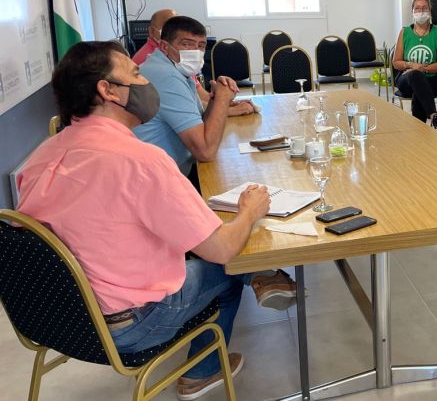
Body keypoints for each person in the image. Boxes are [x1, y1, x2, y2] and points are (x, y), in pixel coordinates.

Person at [16, 41, 298, 400]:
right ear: (108, 91)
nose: (145, 82)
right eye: (135, 74)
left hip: (52, 316)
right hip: (127, 326)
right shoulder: (139, 160)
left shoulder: (42, 156)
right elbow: (222, 249)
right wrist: (251, 211)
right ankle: (204, 369)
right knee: (229, 266)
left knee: (199, 247)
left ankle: (266, 276)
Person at [134, 15, 254, 189]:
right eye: (187, 44)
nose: (195, 52)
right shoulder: (166, 76)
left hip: (169, 172)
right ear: (164, 46)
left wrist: (215, 97)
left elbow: (201, 122)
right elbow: (206, 151)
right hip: (157, 183)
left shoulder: (174, 68)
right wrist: (222, 99)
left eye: (201, 46)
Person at [392, 0, 437, 126]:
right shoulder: (405, 32)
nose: (421, 11)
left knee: (419, 91)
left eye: (424, 8)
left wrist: (423, 69)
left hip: (432, 79)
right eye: (417, 8)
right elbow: (396, 62)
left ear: (430, 11)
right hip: (406, 79)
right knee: (415, 76)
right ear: (412, 11)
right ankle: (434, 118)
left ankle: (420, 131)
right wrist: (412, 65)